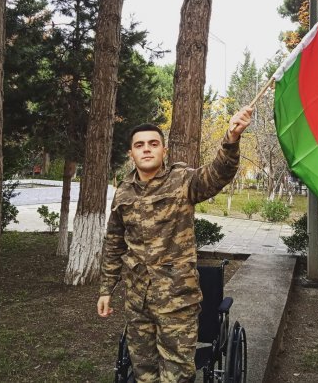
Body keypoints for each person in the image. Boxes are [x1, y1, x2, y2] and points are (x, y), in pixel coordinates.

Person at [97, 106, 253, 383]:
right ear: (131, 153)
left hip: (177, 302)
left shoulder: (182, 181)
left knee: (177, 376)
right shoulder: (123, 192)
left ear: (164, 150)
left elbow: (217, 173)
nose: (147, 149)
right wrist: (106, 289)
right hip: (138, 303)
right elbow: (114, 243)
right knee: (144, 374)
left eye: (153, 144)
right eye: (139, 145)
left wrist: (231, 138)